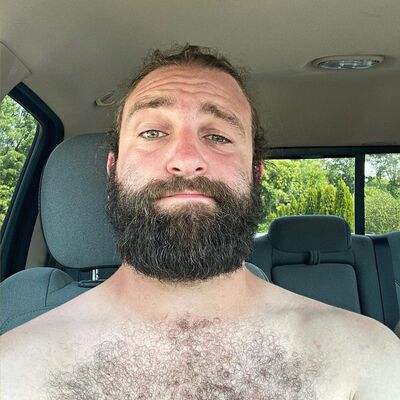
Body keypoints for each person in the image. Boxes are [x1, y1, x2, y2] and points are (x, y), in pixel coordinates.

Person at [1, 44, 399, 399]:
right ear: (113, 169)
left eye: (219, 136)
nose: (186, 158)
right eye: (153, 132)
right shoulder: (17, 367)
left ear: (255, 174)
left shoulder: (362, 357)